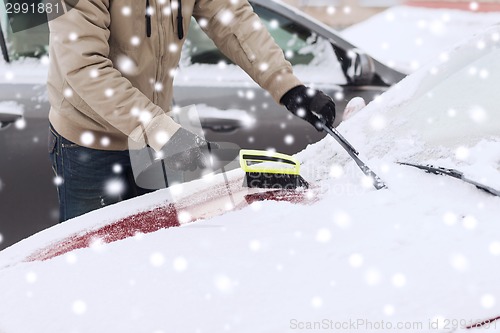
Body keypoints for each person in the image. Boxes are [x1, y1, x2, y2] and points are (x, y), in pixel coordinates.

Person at [46, 0, 337, 222]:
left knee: (159, 256)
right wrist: (163, 132)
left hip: (154, 140)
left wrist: (287, 86)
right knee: (89, 265)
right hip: (88, 143)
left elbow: (233, 19)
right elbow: (84, 67)